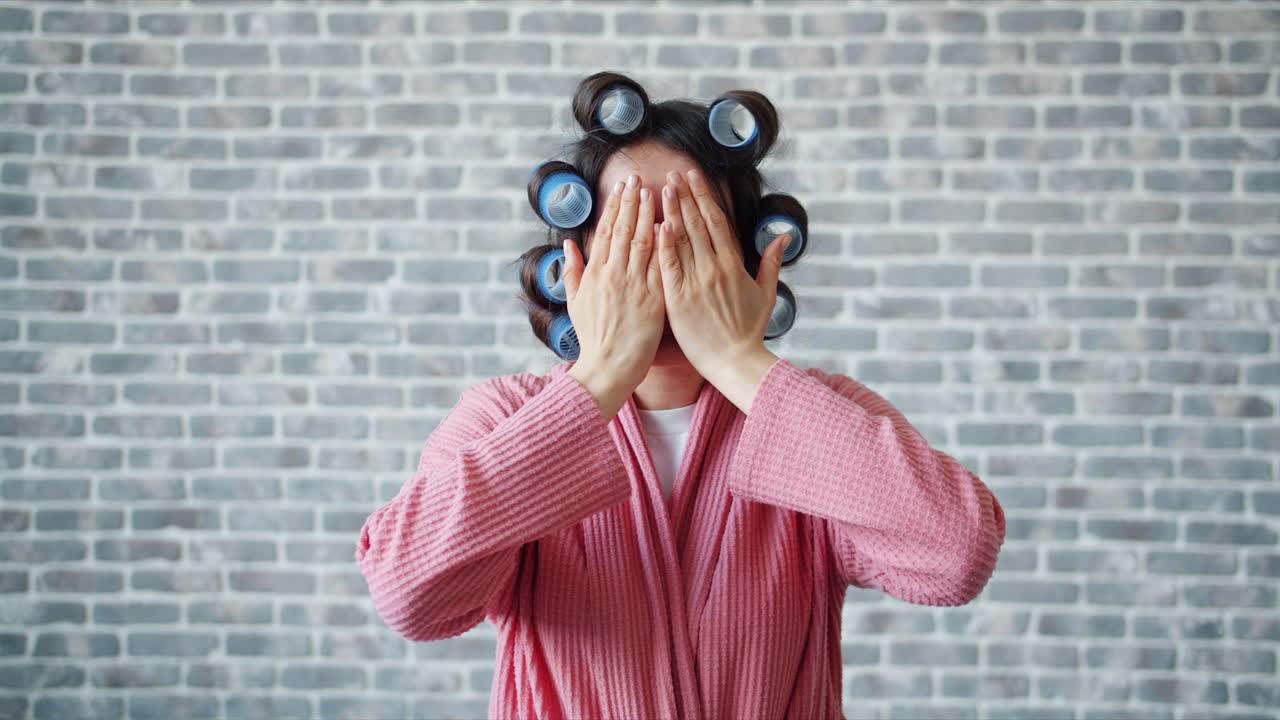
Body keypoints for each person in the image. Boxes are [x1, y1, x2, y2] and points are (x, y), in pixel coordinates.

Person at [356, 72, 1007, 719]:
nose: (663, 265)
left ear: (752, 262)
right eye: (629, 237)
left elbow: (956, 556)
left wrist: (737, 359)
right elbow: (407, 593)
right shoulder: (505, 417)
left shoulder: (820, 415)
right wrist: (601, 373)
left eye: (694, 237)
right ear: (576, 263)